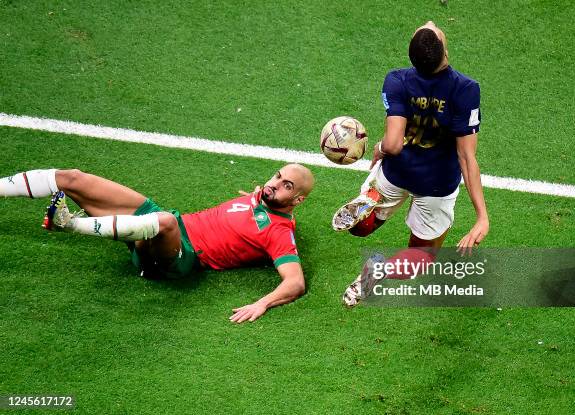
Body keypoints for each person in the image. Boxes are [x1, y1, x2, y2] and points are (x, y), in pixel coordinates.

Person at [0, 164, 314, 323]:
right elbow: (258, 197)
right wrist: (263, 191)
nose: (274, 185)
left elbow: (295, 282)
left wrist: (261, 304)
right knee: (73, 179)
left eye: (287, 186)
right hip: (158, 225)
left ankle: (69, 225)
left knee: (164, 221)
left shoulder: (279, 231)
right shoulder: (263, 194)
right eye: (277, 177)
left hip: (178, 257)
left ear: (297, 200)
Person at [333, 21, 489, 306]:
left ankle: (367, 205)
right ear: (443, 51)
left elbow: (392, 144)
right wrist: (482, 216)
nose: (430, 23)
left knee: (362, 228)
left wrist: (378, 148)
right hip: (436, 186)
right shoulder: (466, 89)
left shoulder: (397, 80)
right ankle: (378, 270)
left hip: (395, 173)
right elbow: (467, 157)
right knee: (421, 258)